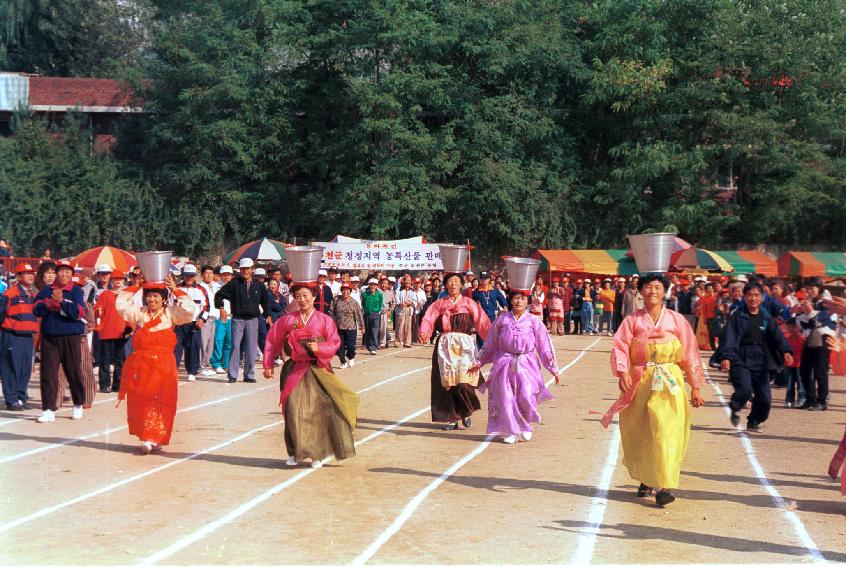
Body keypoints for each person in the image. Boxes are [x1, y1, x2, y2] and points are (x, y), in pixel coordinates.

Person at [597, 273, 705, 507]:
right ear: (641, 291)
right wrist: (623, 372)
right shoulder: (632, 320)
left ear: (665, 291)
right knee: (642, 430)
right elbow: (620, 347)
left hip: (670, 382)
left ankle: (664, 486)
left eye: (657, 287)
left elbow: (690, 353)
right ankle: (647, 478)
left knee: (667, 430)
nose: (653, 291)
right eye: (648, 287)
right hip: (641, 380)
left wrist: (695, 386)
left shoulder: (677, 321)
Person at [263, 284, 359, 468]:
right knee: (292, 409)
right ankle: (295, 452)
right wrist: (268, 364)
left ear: (314, 297)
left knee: (317, 411)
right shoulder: (288, 319)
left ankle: (317, 454)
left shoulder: (324, 320)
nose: (302, 299)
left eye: (306, 295)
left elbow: (334, 341)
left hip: (318, 368)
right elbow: (272, 339)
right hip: (295, 368)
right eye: (298, 296)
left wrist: (320, 348)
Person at [115, 274, 195, 453]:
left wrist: (175, 289)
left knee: (161, 399)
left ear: (164, 299)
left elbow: (190, 310)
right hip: (143, 364)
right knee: (142, 397)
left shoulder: (171, 313)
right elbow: (121, 306)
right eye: (149, 296)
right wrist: (136, 286)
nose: (152, 299)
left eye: (156, 296)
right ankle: (146, 434)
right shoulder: (141, 313)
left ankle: (156, 436)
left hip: (164, 366)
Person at [470, 288, 559, 443]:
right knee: (505, 397)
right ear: (510, 301)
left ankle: (525, 426)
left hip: (527, 363)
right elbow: (490, 343)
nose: (519, 301)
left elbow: (544, 345)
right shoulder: (502, 319)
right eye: (516, 298)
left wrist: (553, 368)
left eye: (522, 299)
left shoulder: (533, 321)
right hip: (504, 362)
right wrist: (478, 361)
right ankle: (511, 430)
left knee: (526, 395)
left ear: (527, 302)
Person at [419, 272, 491, 430]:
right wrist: (424, 332)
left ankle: (465, 411)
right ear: (445, 285)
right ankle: (452, 418)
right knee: (448, 384)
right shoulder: (439, 304)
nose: (452, 284)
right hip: (445, 346)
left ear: (461, 285)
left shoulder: (469, 303)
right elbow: (428, 318)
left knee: (464, 382)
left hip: (464, 346)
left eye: (456, 281)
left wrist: (492, 339)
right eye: (450, 281)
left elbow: (482, 320)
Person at [720, 282, 793, 431]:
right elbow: (730, 337)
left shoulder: (765, 317)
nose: (753, 298)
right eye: (750, 295)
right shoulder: (738, 315)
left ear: (761, 297)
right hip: (740, 357)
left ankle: (754, 420)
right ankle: (735, 406)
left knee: (765, 398)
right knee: (745, 389)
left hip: (760, 359)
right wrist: (726, 356)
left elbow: (776, 335)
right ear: (744, 297)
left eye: (756, 295)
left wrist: (786, 350)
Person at [33, 261, 88, 423]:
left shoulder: (75, 290)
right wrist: (50, 303)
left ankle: (78, 403)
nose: (63, 275)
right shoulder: (46, 289)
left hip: (70, 336)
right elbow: (36, 309)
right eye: (61, 271)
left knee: (73, 371)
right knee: (48, 373)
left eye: (67, 272)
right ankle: (49, 409)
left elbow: (79, 312)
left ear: (72, 274)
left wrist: (62, 302)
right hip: (50, 336)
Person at [215, 258, 272, 383]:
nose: (245, 271)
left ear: (252, 269)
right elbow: (219, 295)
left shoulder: (259, 285)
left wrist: (268, 315)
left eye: (247, 268)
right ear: (240, 270)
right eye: (242, 268)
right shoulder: (234, 283)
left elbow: (265, 301)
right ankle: (232, 375)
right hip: (238, 319)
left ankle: (249, 375)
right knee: (235, 345)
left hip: (253, 319)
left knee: (251, 347)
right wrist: (221, 308)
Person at [0, 263, 38, 410]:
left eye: (31, 273)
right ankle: (11, 399)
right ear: (18, 277)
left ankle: (21, 398)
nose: (29, 276)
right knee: (10, 368)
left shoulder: (32, 295)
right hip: (12, 336)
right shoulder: (10, 294)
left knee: (25, 369)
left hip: (27, 337)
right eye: (25, 273)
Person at [796, 278, 837, 411]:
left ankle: (822, 401)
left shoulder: (826, 301)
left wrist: (811, 312)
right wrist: (799, 314)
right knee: (804, 370)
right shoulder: (810, 302)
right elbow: (804, 323)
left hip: (823, 338)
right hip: (810, 338)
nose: (809, 291)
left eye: (811, 288)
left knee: (821, 371)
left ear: (819, 288)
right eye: (807, 289)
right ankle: (810, 399)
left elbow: (824, 319)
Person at [93, 270, 131, 393]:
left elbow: (131, 313)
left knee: (120, 360)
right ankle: (105, 384)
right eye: (115, 279)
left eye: (120, 278)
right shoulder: (105, 295)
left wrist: (130, 327)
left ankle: (118, 384)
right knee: (105, 359)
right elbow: (97, 310)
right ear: (111, 280)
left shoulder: (127, 295)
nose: (118, 281)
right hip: (106, 332)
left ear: (124, 280)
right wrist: (98, 311)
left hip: (121, 332)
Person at [174, 264, 207, 382]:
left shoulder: (201, 289)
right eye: (187, 275)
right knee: (176, 348)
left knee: (193, 347)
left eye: (191, 276)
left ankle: (192, 372)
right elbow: (169, 304)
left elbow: (206, 307)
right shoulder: (176, 288)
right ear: (183, 276)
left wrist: (202, 319)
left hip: (194, 323)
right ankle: (173, 371)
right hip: (178, 323)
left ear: (195, 276)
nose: (189, 278)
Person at [331, 283, 364, 368]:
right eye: (344, 290)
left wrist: (361, 326)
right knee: (339, 346)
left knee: (351, 345)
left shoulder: (354, 302)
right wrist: (333, 322)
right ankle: (343, 361)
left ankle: (351, 357)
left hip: (351, 327)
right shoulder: (336, 299)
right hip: (339, 327)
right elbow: (331, 312)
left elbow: (359, 314)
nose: (345, 292)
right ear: (341, 291)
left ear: (350, 291)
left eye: (347, 290)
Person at [210, 265, 234, 374]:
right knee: (218, 340)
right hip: (220, 317)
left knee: (229, 342)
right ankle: (216, 364)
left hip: (231, 317)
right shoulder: (215, 286)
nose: (225, 277)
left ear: (231, 276)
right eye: (223, 275)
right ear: (220, 275)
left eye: (228, 275)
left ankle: (226, 364)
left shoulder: (235, 286)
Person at [198, 265, 219, 377]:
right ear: (202, 275)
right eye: (206, 273)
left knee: (210, 344)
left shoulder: (216, 286)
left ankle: (206, 365)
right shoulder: (199, 287)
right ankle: (201, 366)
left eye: (211, 273)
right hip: (204, 319)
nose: (209, 275)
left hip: (214, 318)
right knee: (203, 343)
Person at [782, 318, 805, 408]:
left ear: (798, 327)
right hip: (789, 365)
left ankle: (801, 399)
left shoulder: (802, 339)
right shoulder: (787, 339)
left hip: (799, 364)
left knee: (800, 383)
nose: (791, 329)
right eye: (789, 327)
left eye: (793, 327)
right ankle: (789, 400)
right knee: (789, 383)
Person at [361, 278, 383, 354]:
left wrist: (378, 312)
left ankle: (373, 347)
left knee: (374, 331)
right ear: (369, 285)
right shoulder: (364, 294)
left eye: (374, 285)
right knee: (368, 331)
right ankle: (368, 346)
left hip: (376, 314)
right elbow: (362, 304)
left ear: (377, 286)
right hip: (367, 314)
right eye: (371, 285)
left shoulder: (379, 294)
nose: (373, 286)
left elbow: (380, 304)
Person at [395, 278, 415, 348]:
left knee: (408, 326)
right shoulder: (398, 290)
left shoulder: (412, 291)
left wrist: (411, 303)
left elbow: (414, 300)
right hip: (401, 308)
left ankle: (407, 342)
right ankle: (398, 341)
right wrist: (401, 303)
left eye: (409, 281)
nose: (407, 283)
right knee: (400, 326)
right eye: (406, 281)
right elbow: (396, 299)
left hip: (409, 309)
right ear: (403, 282)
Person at [378, 278, 395, 349]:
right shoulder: (377, 292)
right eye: (382, 283)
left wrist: (390, 311)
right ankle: (379, 341)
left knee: (383, 328)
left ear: (388, 285)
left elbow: (393, 303)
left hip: (385, 313)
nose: (383, 285)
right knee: (377, 328)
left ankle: (382, 343)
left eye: (385, 283)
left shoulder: (390, 293)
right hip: (376, 312)